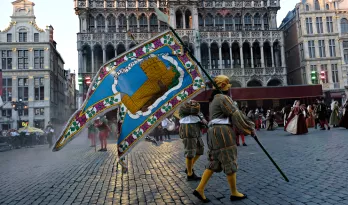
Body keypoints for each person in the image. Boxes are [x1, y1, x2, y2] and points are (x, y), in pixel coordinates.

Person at [193, 75, 255, 203]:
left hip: (213, 132)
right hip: (222, 132)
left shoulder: (215, 99)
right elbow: (236, 114)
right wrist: (249, 128)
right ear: (223, 87)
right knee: (229, 158)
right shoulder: (223, 98)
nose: (229, 90)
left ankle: (200, 189)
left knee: (215, 161)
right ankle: (234, 193)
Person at [178, 100, 206, 181]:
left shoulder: (194, 101)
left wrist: (202, 118)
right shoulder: (180, 102)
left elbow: (198, 111)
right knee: (190, 152)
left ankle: (188, 168)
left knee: (200, 149)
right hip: (188, 127)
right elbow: (191, 110)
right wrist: (193, 105)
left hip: (196, 126)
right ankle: (190, 174)